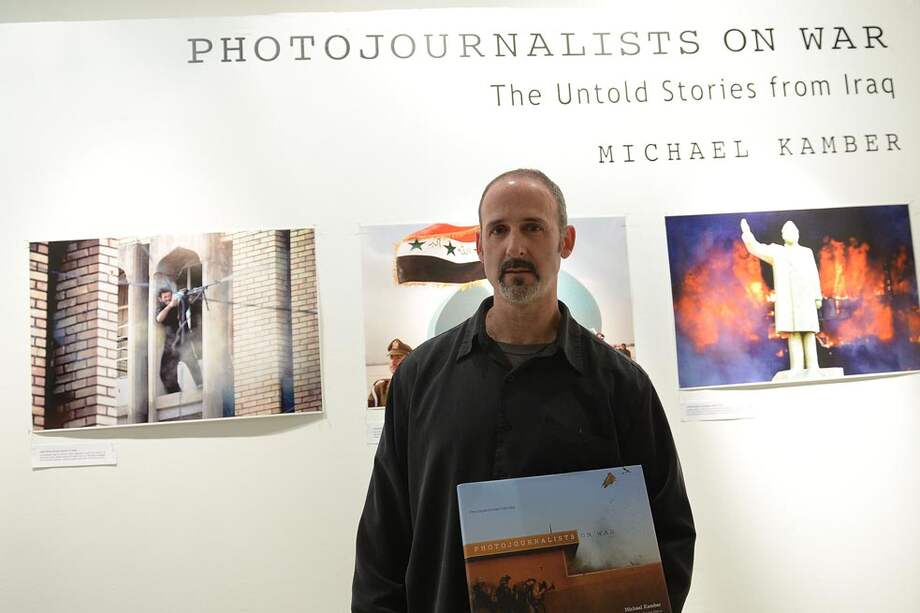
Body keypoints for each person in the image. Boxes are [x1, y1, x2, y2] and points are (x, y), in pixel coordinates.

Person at [352, 169, 695, 612]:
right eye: (499, 230)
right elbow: (383, 542)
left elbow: (669, 532)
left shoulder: (622, 386)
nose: (514, 247)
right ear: (481, 246)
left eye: (533, 227)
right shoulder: (420, 378)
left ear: (565, 241)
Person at [740, 218, 823, 372]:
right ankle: (797, 367)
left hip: (805, 298)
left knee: (809, 332)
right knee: (794, 333)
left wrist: (817, 297)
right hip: (788, 300)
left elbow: (813, 274)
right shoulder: (777, 251)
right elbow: (756, 248)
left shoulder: (806, 252)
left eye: (792, 231)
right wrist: (747, 233)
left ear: (797, 234)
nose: (789, 233)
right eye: (786, 231)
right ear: (782, 235)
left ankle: (813, 367)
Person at [155, 287, 203, 393]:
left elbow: (189, 306)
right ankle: (174, 391)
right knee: (165, 371)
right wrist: (170, 305)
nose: (168, 298)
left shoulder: (179, 305)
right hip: (171, 343)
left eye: (169, 296)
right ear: (160, 299)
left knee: (191, 361)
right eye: (165, 297)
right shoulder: (163, 308)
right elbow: (159, 318)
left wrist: (185, 296)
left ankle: (200, 384)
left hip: (183, 338)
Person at [367, 338, 413, 407]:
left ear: (409, 360)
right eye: (391, 357)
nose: (393, 362)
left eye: (398, 357)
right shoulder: (379, 389)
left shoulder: (416, 386)